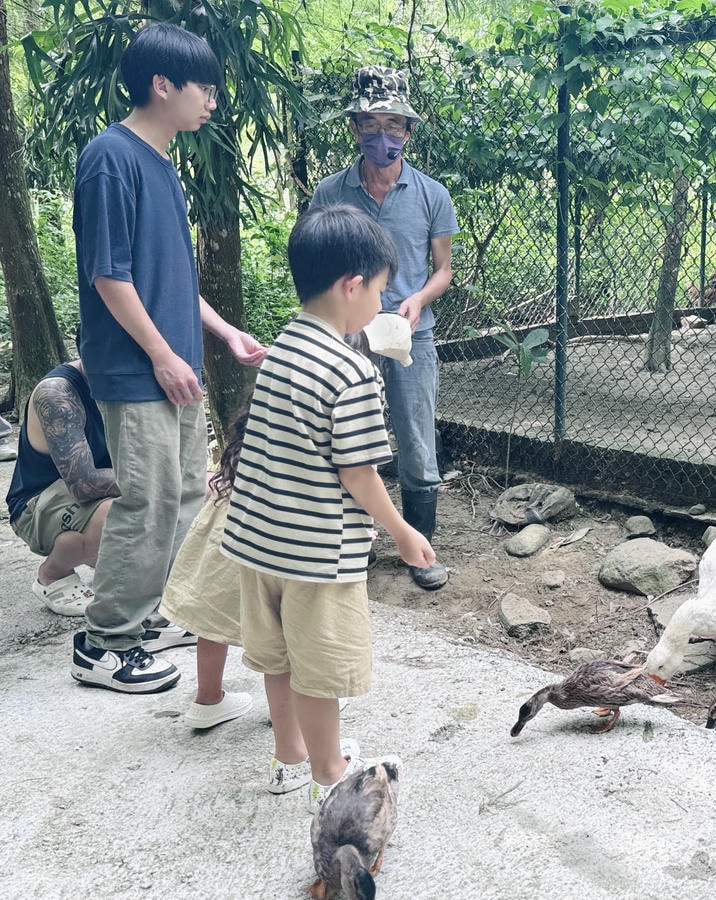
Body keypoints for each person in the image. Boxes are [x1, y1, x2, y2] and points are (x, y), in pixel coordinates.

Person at [70, 22, 267, 694]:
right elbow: (109, 276)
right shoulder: (110, 157)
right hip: (137, 369)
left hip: (172, 363)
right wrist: (159, 355)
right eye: (203, 87)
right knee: (148, 500)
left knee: (187, 491)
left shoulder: (161, 164)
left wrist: (224, 333)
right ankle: (104, 641)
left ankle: (168, 607)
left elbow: (174, 280)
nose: (211, 100)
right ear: (163, 85)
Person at [221, 204, 435, 812]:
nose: (383, 303)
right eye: (381, 289)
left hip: (257, 543)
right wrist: (400, 529)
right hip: (315, 553)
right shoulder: (351, 370)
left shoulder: (283, 347)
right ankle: (328, 771)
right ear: (352, 286)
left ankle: (288, 758)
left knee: (280, 658)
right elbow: (358, 473)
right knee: (319, 670)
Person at [310, 65, 459, 591]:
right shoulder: (331, 193)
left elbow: (442, 270)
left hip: (409, 335)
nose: (383, 137)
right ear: (354, 127)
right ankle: (354, 541)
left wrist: (417, 299)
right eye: (371, 124)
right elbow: (315, 264)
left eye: (393, 124)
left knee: (417, 439)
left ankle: (420, 547)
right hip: (347, 336)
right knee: (347, 439)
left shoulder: (431, 194)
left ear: (409, 131)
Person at [158, 405, 253, 730]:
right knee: (285, 629)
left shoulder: (233, 471)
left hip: (218, 563)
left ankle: (208, 698)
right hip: (264, 554)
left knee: (211, 628)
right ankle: (304, 705)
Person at [6, 361, 116, 616]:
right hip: (37, 506)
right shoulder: (56, 394)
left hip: (104, 491)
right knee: (123, 509)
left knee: (206, 489)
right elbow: (84, 483)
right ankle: (54, 574)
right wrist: (162, 482)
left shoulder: (134, 380)